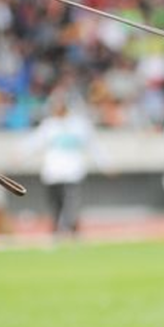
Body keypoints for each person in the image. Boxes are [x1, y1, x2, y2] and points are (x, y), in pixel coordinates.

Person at [23, 97, 103, 236]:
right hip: (53, 173)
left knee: (71, 203)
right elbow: (34, 143)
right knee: (56, 203)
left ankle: (69, 229)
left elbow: (94, 146)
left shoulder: (79, 125)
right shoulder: (49, 125)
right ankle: (58, 228)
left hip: (72, 173)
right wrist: (19, 155)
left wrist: (105, 163)